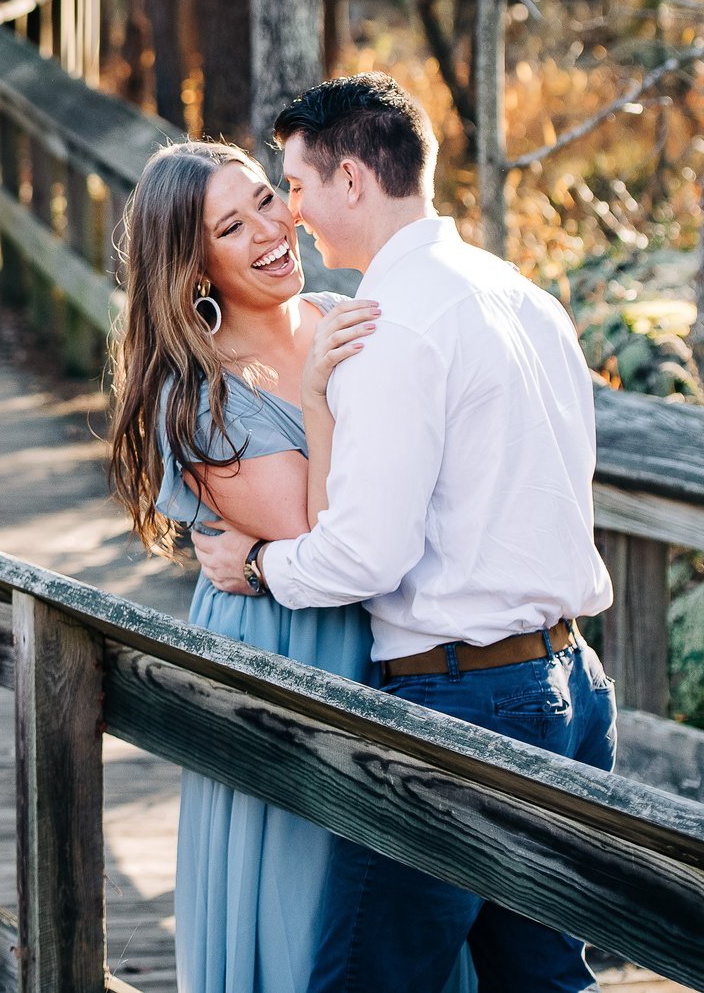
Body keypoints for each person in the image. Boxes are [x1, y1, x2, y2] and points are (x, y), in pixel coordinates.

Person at [193, 75, 618, 993]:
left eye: (296, 188)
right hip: (574, 687)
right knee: (540, 982)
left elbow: (362, 554)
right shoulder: (523, 297)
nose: (293, 217)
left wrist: (258, 564)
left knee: (365, 981)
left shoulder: (394, 325)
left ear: (351, 179)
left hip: (461, 704)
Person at [106, 139, 469, 993]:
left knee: (409, 905)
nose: (274, 229)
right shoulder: (200, 395)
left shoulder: (348, 311)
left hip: (395, 640)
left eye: (270, 198)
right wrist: (312, 394)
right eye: (233, 225)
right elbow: (324, 533)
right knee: (306, 899)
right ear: (195, 264)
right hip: (284, 654)